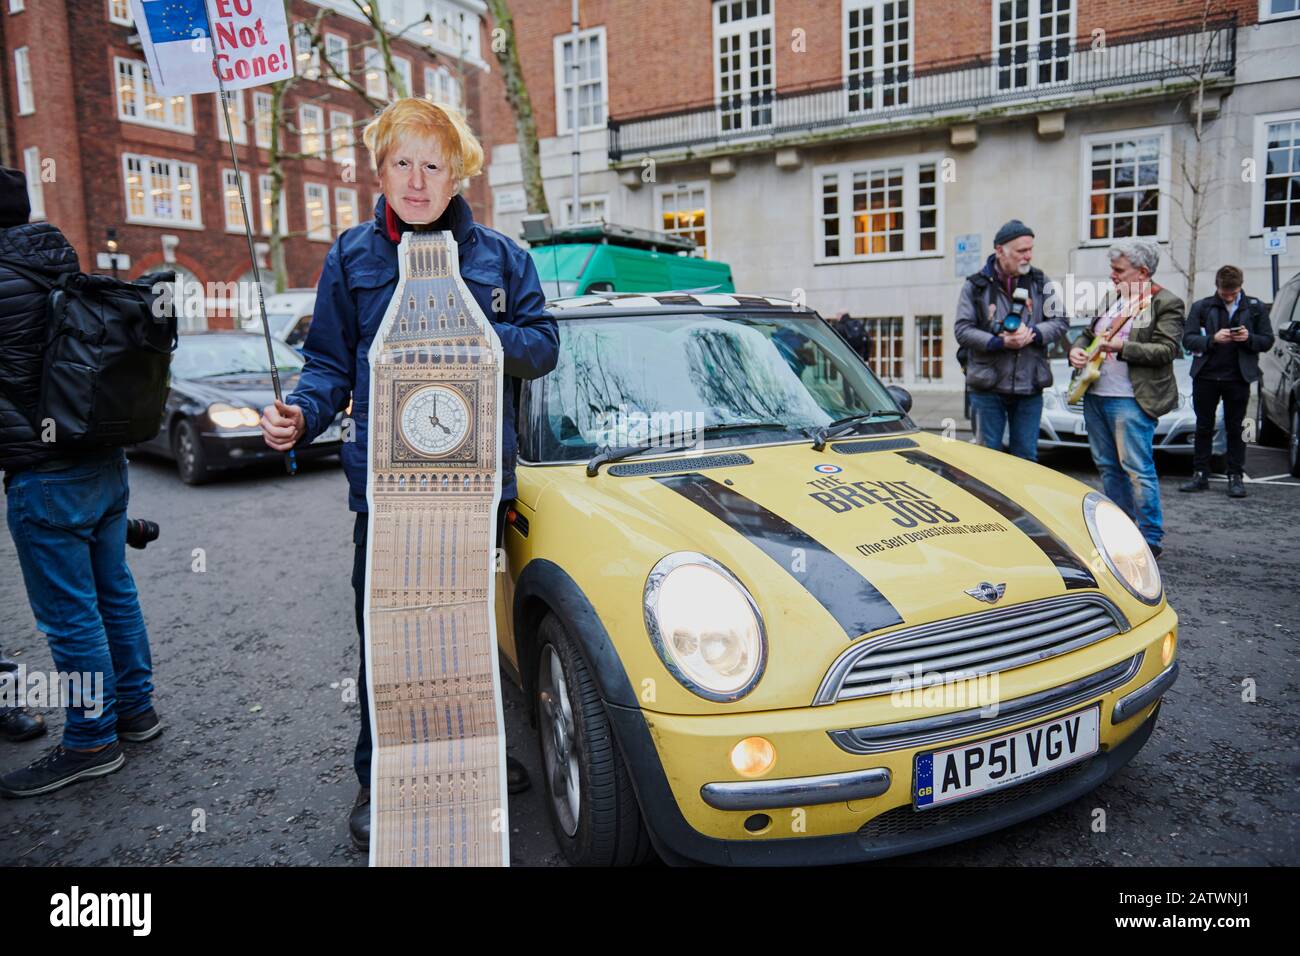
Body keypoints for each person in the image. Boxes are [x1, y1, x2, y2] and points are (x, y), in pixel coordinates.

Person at [259, 99, 559, 852]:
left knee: (464, 634)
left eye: (433, 164)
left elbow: (544, 347)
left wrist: (472, 324)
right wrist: (300, 412)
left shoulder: (502, 258)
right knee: (389, 640)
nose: (417, 180)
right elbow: (327, 365)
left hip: (475, 488)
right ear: (380, 168)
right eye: (403, 163)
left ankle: (477, 759)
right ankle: (382, 776)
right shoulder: (351, 257)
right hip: (388, 494)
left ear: (459, 172)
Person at [0, 167, 162, 798]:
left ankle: (91, 741)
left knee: (70, 618)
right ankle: (136, 712)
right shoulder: (60, 265)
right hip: (102, 458)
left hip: (43, 474)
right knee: (114, 593)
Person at [1068, 239, 1183, 557]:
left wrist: (1120, 348)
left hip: (1131, 399)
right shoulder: (1113, 297)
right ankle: (1122, 530)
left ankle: (1150, 537)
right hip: (1096, 394)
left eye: (1119, 270)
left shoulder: (1165, 303)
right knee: (1107, 467)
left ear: (1143, 271)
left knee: (1137, 468)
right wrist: (1076, 349)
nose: (1112, 275)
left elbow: (1167, 350)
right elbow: (1089, 333)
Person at [953, 219, 1068, 460]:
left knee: (1026, 458)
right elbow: (962, 330)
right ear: (1000, 251)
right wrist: (999, 342)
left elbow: (1061, 321)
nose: (1028, 256)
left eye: (1030, 249)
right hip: (987, 387)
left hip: (1030, 385)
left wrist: (1033, 334)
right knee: (988, 458)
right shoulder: (975, 286)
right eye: (1021, 251)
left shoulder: (1040, 281)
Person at [1180, 265, 1273, 497]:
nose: (1229, 296)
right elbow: (1188, 340)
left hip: (1238, 377)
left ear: (1241, 286)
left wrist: (1248, 338)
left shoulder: (1254, 307)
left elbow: (1268, 340)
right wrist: (1213, 339)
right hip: (1206, 376)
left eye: (1233, 292)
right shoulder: (1202, 306)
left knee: (1237, 428)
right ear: (1217, 287)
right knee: (1203, 427)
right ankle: (1200, 474)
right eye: (1225, 293)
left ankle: (1235, 476)